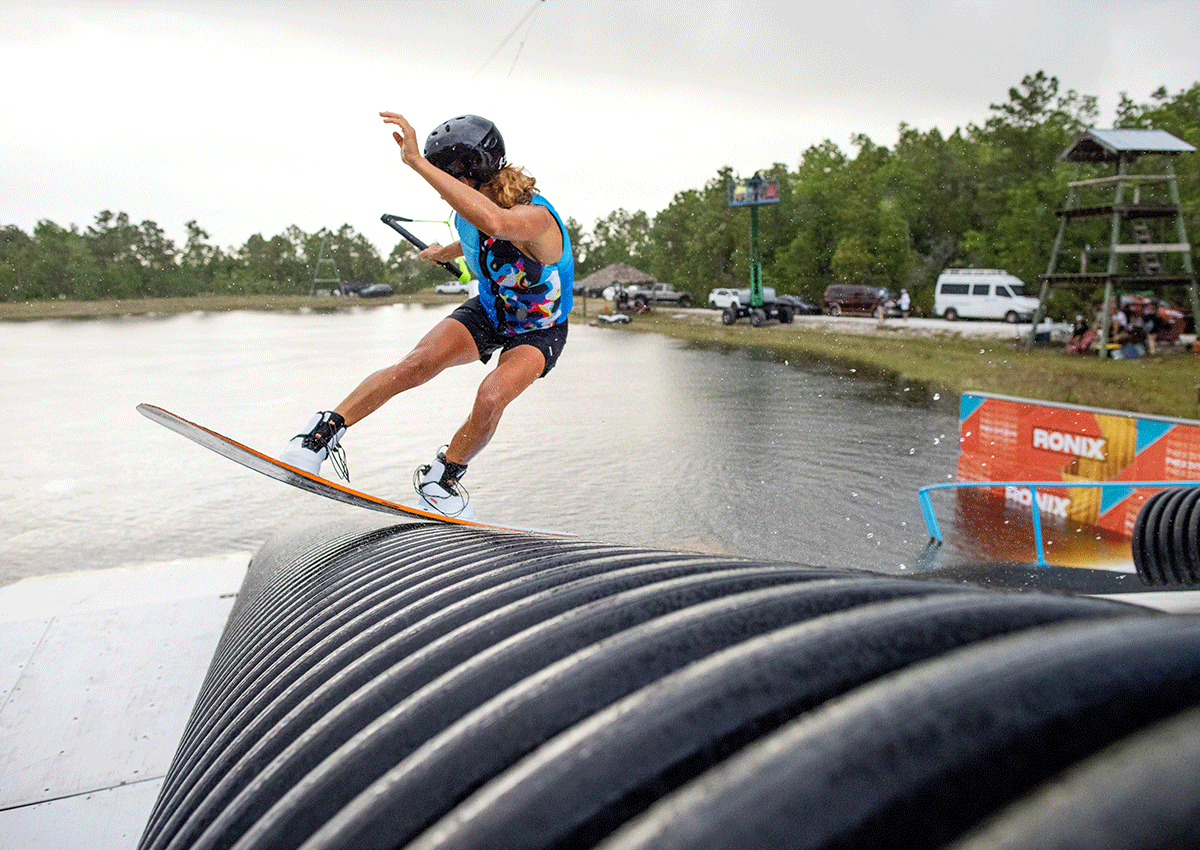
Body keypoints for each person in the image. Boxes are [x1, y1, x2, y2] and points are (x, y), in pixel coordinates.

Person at [281, 112, 573, 520]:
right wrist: (444, 252)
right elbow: (477, 230)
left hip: (540, 328)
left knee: (491, 396)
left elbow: (498, 223)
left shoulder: (537, 218)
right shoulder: (467, 215)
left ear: (467, 175)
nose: (443, 192)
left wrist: (417, 162)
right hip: (491, 311)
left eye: (446, 178)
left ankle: (445, 477)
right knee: (415, 365)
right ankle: (319, 436)